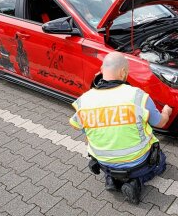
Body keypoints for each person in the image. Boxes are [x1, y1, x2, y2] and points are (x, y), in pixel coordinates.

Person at [69, 52, 172, 204]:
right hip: (137, 162)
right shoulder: (136, 96)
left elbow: (81, 128)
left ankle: (112, 179)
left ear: (102, 70)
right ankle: (134, 183)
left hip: (103, 161)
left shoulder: (84, 101)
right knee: (161, 162)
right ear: (123, 72)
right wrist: (167, 111)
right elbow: (161, 123)